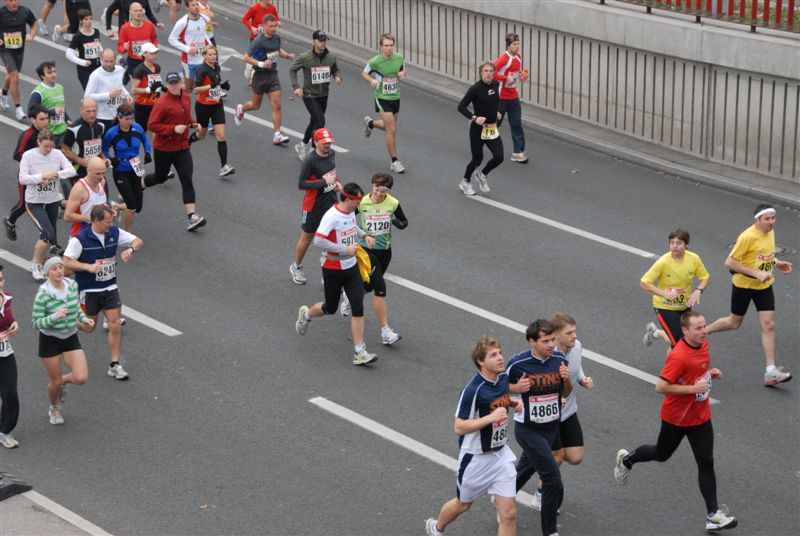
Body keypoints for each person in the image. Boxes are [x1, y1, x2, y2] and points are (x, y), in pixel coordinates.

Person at [614, 312, 738, 532]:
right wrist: (694, 389)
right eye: (698, 328)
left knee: (706, 461)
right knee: (661, 454)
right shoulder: (679, 356)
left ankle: (713, 515)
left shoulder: (703, 343)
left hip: (700, 415)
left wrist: (709, 374)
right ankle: (626, 460)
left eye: (704, 326)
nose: (703, 331)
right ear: (685, 331)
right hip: (677, 417)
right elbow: (660, 386)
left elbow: (696, 371)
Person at [425, 336, 522, 536]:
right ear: (480, 361)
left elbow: (498, 399)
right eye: (493, 355)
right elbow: (459, 427)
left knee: (509, 514)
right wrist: (491, 418)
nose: (500, 358)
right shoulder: (472, 390)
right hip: (476, 458)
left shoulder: (502, 379)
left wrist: (511, 402)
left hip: (501, 455)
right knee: (463, 505)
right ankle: (436, 527)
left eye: (500, 353)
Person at [706, 204, 793, 387]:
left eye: (773, 218)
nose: (771, 222)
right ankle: (703, 332)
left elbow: (764, 256)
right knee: (733, 322)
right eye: (767, 219)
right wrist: (756, 274)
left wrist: (778, 263)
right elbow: (729, 262)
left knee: (768, 325)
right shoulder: (747, 237)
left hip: (764, 286)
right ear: (757, 220)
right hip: (744, 285)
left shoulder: (770, 233)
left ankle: (771, 372)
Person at [295, 182, 380, 367]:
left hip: (351, 267)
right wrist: (343, 248)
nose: (358, 205)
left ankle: (360, 352)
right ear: (348, 199)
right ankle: (306, 314)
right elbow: (318, 241)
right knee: (331, 307)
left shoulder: (349, 212)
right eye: (357, 201)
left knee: (358, 306)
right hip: (332, 268)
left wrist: (364, 235)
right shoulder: (331, 216)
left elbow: (351, 227)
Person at [506, 319, 571, 536]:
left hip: (551, 428)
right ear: (532, 341)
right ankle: (550, 532)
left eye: (553, 339)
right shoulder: (518, 364)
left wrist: (567, 381)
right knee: (553, 479)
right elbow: (496, 389)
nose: (551, 345)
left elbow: (565, 393)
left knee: (526, 467)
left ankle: (503, 498)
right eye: (545, 341)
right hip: (528, 430)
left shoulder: (560, 359)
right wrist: (517, 387)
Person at [64, 204, 142, 381]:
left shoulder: (114, 232)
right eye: (107, 221)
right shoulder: (80, 239)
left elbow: (138, 240)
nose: (111, 224)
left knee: (114, 323)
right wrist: (87, 267)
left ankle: (114, 365)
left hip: (109, 287)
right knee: (89, 327)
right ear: (96, 221)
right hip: (89, 289)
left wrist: (130, 249)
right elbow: (67, 262)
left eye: (111, 220)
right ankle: (64, 320)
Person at [526, 313, 594, 511]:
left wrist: (582, 379)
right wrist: (554, 397)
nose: (574, 336)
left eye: (575, 331)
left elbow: (576, 365)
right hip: (550, 415)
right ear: (556, 335)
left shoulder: (577, 346)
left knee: (575, 457)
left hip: (569, 411)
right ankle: (541, 493)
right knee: (556, 457)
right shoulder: (548, 354)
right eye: (569, 333)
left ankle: (535, 457)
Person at [31, 255, 93, 426]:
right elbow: (36, 323)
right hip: (50, 340)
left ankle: (63, 382)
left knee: (81, 378)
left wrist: (84, 319)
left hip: (70, 336)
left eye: (60, 267)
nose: (59, 271)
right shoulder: (43, 295)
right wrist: (54, 317)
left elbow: (76, 309)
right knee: (54, 381)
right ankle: (54, 407)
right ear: (47, 273)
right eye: (54, 269)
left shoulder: (72, 285)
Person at [147, 71, 206, 231]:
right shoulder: (162, 103)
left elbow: (186, 117)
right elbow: (152, 125)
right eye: (171, 84)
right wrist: (173, 128)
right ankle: (139, 185)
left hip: (182, 147)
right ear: (167, 85)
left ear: (181, 83)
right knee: (159, 177)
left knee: (187, 179)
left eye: (176, 83)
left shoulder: (186, 97)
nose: (174, 86)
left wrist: (193, 124)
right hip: (164, 149)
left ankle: (192, 217)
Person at [18, 129, 76, 280]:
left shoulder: (56, 154)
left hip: (52, 200)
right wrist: (41, 177)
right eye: (46, 146)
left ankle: (47, 260)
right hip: (34, 202)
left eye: (51, 146)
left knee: (52, 237)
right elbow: (23, 178)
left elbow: (71, 170)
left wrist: (56, 175)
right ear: (38, 143)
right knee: (47, 234)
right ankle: (36, 264)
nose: (49, 150)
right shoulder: (29, 156)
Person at [641, 228, 710, 350]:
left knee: (688, 339)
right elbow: (645, 282)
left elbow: (705, 277)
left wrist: (698, 290)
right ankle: (671, 369)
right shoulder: (663, 262)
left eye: (679, 243)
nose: (675, 246)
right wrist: (664, 294)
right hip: (665, 307)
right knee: (678, 343)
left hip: (684, 306)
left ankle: (656, 333)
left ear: (686, 245)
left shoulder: (693, 259)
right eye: (672, 243)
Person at [290, 127, 339, 285]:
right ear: (316, 142)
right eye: (324, 143)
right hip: (313, 206)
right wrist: (323, 183)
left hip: (331, 202)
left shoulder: (331, 154)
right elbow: (301, 184)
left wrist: (337, 184)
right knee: (307, 238)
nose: (328, 145)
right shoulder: (309, 161)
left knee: (331, 237)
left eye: (329, 142)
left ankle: (327, 269)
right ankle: (296, 266)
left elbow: (331, 174)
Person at [235, 14, 294, 145]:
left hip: (272, 75)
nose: (273, 29)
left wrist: (287, 55)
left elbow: (277, 50)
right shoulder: (258, 41)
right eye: (271, 26)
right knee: (256, 106)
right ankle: (241, 109)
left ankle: (277, 134)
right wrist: (261, 64)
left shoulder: (277, 38)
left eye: (275, 26)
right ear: (264, 26)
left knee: (277, 104)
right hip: (259, 75)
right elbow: (245, 57)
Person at [289, 29, 341, 161]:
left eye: (324, 40)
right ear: (314, 41)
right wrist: (296, 87)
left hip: (324, 94)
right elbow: (292, 69)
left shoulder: (331, 57)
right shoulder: (305, 57)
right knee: (320, 121)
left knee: (314, 122)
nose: (323, 43)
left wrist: (337, 76)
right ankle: (314, 150)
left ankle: (302, 145)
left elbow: (335, 68)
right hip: (309, 94)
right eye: (320, 40)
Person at [361, 33, 406, 174]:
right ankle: (395, 161)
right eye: (386, 45)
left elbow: (403, 70)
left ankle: (370, 124)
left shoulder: (399, 57)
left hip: (395, 97)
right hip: (382, 97)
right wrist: (371, 80)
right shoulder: (375, 61)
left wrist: (402, 74)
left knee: (389, 126)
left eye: (391, 45)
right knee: (391, 129)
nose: (389, 48)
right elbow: (364, 73)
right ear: (381, 46)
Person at [456, 62, 503, 196]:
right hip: (477, 129)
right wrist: (474, 118)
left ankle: (482, 175)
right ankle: (465, 181)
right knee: (477, 159)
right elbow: (461, 107)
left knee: (499, 157)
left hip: (492, 128)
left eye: (491, 71)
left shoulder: (496, 84)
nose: (488, 73)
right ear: (481, 73)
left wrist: (498, 111)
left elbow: (496, 101)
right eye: (486, 71)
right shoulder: (475, 89)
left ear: (494, 73)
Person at [4, 105, 50, 242]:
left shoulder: (47, 134)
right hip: (27, 175)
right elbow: (17, 154)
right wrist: (33, 160)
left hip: (44, 175)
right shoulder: (27, 135)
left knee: (46, 200)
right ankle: (10, 221)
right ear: (33, 120)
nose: (45, 122)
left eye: (47, 118)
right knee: (25, 204)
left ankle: (47, 233)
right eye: (42, 119)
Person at [103, 103, 153, 230]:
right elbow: (104, 150)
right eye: (126, 119)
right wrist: (111, 159)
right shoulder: (112, 133)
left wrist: (147, 152)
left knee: (138, 207)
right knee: (131, 205)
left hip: (136, 168)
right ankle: (127, 234)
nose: (130, 122)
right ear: (119, 118)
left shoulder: (137, 128)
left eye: (132, 119)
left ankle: (117, 207)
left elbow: (146, 141)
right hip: (121, 169)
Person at [190, 46, 234, 177]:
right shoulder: (201, 70)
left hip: (216, 104)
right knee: (201, 135)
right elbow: (196, 90)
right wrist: (211, 86)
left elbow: (216, 82)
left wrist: (222, 86)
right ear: (204, 55)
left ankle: (224, 167)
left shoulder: (216, 67)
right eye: (210, 54)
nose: (213, 57)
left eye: (214, 54)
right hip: (203, 106)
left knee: (221, 136)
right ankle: (186, 143)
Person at [494, 33, 529, 164]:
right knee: (495, 124)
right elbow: (491, 73)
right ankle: (479, 129)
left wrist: (522, 76)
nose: (517, 47)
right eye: (514, 44)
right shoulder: (503, 59)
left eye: (518, 44)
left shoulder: (518, 58)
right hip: (501, 98)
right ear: (508, 46)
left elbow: (516, 74)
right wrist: (505, 78)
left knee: (516, 124)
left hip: (513, 97)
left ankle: (518, 153)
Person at [61, 98, 106, 199]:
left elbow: (98, 146)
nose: (92, 114)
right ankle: (63, 204)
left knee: (102, 197)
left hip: (96, 169)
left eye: (94, 111)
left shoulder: (101, 126)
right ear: (81, 111)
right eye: (88, 111)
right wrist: (80, 160)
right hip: (79, 170)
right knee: (83, 199)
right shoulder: (73, 128)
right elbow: (64, 149)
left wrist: (103, 158)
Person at [0, 0, 38, 121]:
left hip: (19, 50)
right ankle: (18, 109)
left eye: (16, 0)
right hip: (5, 50)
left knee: (12, 75)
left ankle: (3, 94)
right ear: (6, 1)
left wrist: (32, 35)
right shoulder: (1, 13)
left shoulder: (25, 11)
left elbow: (33, 25)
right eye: (11, 0)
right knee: (15, 77)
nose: (14, 2)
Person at [168, 0, 212, 93]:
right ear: (187, 8)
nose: (196, 7)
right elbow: (171, 39)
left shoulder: (205, 19)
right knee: (189, 89)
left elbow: (207, 34)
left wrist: (210, 45)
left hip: (203, 59)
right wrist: (188, 49)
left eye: (197, 5)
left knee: (207, 85)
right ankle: (172, 86)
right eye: (193, 5)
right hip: (189, 62)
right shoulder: (182, 22)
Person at [84, 48, 132, 131]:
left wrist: (127, 95)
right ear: (101, 60)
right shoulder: (95, 75)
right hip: (102, 117)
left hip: (118, 115)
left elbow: (119, 86)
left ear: (115, 60)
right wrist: (108, 95)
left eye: (111, 61)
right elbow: (87, 96)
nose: (109, 64)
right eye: (106, 61)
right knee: (104, 142)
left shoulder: (120, 70)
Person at [0, 265, 21, 448]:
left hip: (5, 352)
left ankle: (5, 431)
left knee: (10, 393)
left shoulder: (5, 298)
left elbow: (8, 319)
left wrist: (14, 324)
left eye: (0, 279)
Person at [64, 155, 108, 237]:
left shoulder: (102, 182)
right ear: (88, 171)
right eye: (97, 173)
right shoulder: (79, 188)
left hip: (100, 232)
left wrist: (110, 212)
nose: (101, 177)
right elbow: (67, 216)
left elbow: (99, 204)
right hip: (82, 236)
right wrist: (90, 218)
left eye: (103, 173)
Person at [28, 61, 69, 145]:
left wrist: (68, 120)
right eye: (49, 73)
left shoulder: (60, 88)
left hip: (62, 130)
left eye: (54, 71)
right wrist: (52, 112)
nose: (53, 74)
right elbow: (30, 112)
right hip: (48, 134)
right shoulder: (38, 93)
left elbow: (61, 108)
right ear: (42, 76)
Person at [117, 2, 158, 85]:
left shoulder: (149, 25)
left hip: (148, 60)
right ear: (130, 12)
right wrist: (124, 47)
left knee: (153, 86)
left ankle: (124, 66)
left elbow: (154, 40)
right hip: (133, 62)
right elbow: (120, 47)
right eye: (136, 11)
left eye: (140, 10)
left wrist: (153, 50)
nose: (139, 13)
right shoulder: (125, 28)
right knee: (139, 87)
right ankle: (121, 83)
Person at [65, 9, 102, 89]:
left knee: (99, 92)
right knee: (90, 92)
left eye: (90, 18)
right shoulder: (78, 36)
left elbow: (99, 47)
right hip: (85, 70)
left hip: (97, 67)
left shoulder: (96, 32)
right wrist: (82, 62)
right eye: (86, 19)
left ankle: (85, 101)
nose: (89, 21)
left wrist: (104, 57)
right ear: (81, 21)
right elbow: (68, 54)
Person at [129, 42, 162, 131]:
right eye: (151, 53)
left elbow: (156, 83)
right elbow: (133, 90)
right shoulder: (139, 70)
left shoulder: (157, 67)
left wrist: (163, 88)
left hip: (155, 104)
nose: (154, 55)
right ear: (144, 54)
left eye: (155, 53)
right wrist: (149, 89)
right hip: (142, 105)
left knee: (157, 129)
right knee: (141, 131)